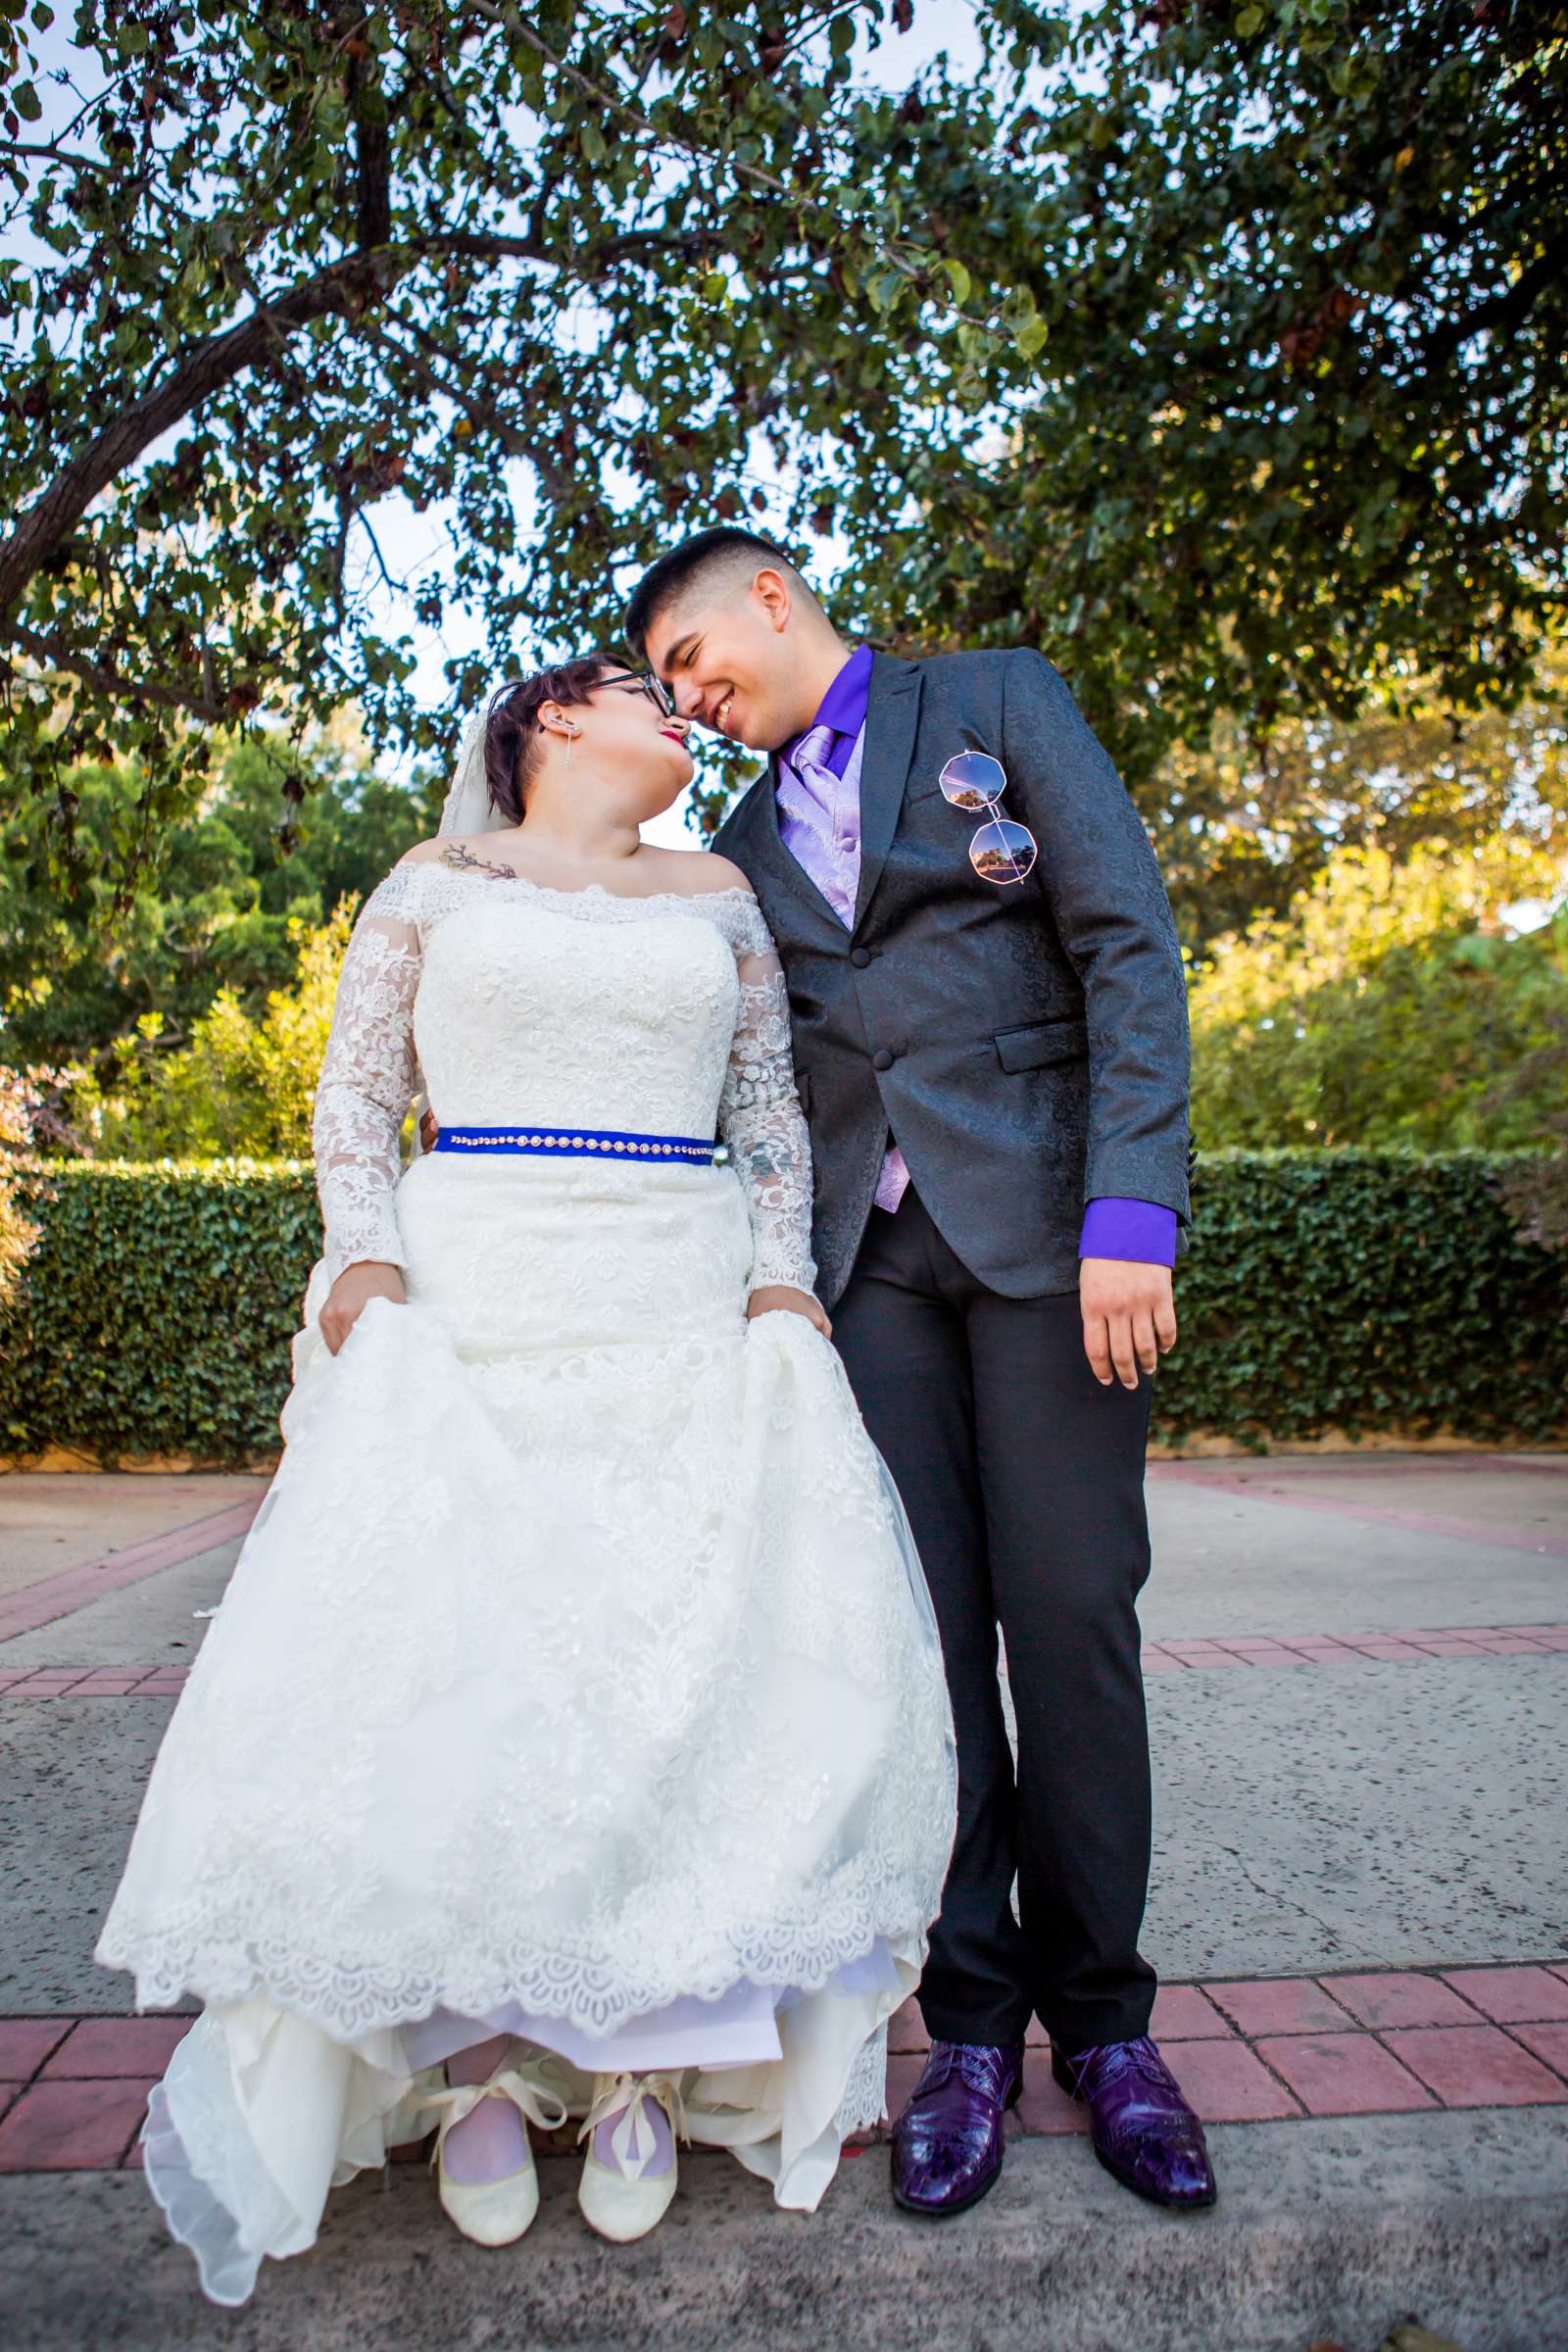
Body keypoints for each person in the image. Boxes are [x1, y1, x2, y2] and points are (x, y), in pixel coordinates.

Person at [96, 656, 956, 2304]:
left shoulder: (715, 896)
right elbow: (355, 1096)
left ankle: (644, 2051)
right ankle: (476, 2060)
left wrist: (782, 1280)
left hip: (677, 1287)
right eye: (650, 694)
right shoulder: (432, 881)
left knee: (670, 1668)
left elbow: (768, 1112)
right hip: (476, 1281)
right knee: (475, 1662)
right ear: (555, 722)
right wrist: (368, 1261)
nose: (680, 722)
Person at [625, 529, 1217, 2216]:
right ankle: (968, 2028)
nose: (690, 694)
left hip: (1053, 1245)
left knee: (1074, 1620)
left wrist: (1133, 1209)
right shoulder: (734, 846)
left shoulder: (995, 700)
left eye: (690, 653)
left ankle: (1105, 2026)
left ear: (771, 596)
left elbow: (1125, 943)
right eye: (665, 686)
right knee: (931, 1650)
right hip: (869, 1278)